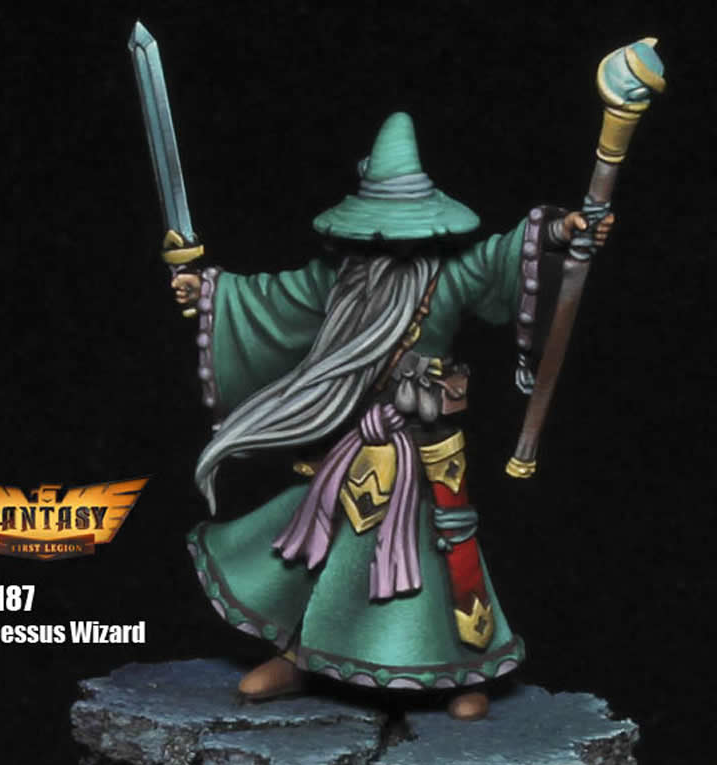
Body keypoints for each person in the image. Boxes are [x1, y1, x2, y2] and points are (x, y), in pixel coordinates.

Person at [170, 112, 613, 720]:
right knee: (320, 540)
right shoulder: (340, 281)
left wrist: (562, 233)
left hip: (430, 446)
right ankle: (303, 654)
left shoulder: (450, 274)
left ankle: (466, 669)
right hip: (359, 439)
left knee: (447, 548)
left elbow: (503, 256)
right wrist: (210, 292)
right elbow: (273, 297)